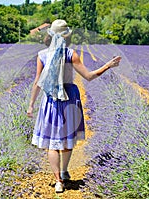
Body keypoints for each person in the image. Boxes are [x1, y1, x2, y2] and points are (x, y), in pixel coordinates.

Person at [27, 19, 121, 193]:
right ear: (67, 37)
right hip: (69, 98)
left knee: (52, 144)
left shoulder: (42, 55)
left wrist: (31, 105)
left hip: (51, 100)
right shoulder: (71, 54)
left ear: (50, 36)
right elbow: (90, 76)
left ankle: (58, 181)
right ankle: (63, 171)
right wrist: (108, 65)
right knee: (67, 139)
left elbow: (37, 82)